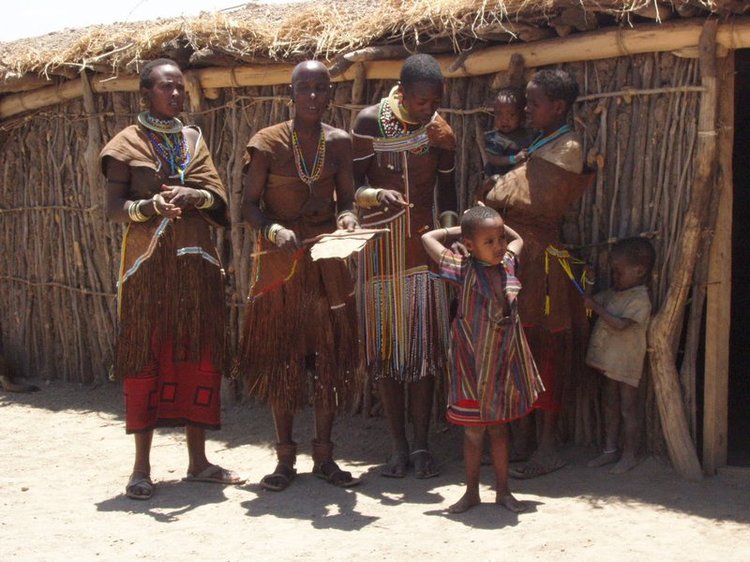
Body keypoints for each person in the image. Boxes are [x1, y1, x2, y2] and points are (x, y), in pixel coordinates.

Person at [100, 58, 244, 500]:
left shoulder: (192, 140)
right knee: (147, 359)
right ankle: (141, 469)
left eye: (181, 88)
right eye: (168, 88)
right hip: (148, 270)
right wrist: (150, 209)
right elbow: (114, 208)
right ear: (146, 93)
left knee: (199, 357)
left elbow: (218, 201)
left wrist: (194, 194)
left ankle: (199, 461)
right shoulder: (125, 144)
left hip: (196, 265)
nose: (177, 94)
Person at [237, 60, 361, 491]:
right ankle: (284, 458)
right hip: (280, 263)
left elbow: (346, 199)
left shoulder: (339, 142)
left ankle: (325, 456)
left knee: (328, 358)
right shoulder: (267, 143)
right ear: (291, 94)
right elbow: (248, 206)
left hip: (325, 260)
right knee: (283, 357)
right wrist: (273, 228)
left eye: (320, 89)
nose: (312, 96)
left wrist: (346, 218)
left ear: (330, 95)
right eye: (304, 88)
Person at [479, 68, 594, 479]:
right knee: (520, 345)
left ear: (558, 107)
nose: (527, 110)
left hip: (541, 263)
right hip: (522, 256)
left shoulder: (567, 148)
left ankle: (547, 446)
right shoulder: (546, 143)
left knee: (544, 349)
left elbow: (513, 196)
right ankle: (524, 438)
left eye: (534, 103)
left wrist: (498, 185)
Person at [352, 53, 457, 479]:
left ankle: (421, 446)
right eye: (420, 101)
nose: (428, 109)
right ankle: (396, 446)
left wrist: (447, 240)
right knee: (386, 353)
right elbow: (351, 187)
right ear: (402, 91)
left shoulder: (441, 132)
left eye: (434, 101)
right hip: (379, 252)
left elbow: (447, 197)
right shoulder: (368, 123)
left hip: (422, 253)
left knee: (424, 354)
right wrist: (377, 196)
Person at [422, 206, 544, 513]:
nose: (499, 245)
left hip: (501, 363)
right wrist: (458, 229)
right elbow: (428, 237)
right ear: (470, 244)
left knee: (500, 431)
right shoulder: (461, 268)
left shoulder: (508, 264)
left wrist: (496, 229)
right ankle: (472, 492)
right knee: (473, 431)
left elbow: (518, 240)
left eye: (499, 238)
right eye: (488, 241)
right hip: (471, 365)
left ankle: (503, 492)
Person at [584, 237, 655, 474]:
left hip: (626, 364)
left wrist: (596, 307)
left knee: (627, 409)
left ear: (640, 271)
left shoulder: (639, 299)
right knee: (611, 406)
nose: (614, 277)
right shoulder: (615, 293)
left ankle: (629, 454)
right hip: (610, 362)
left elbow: (620, 325)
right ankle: (610, 451)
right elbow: (589, 301)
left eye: (618, 272)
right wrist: (590, 282)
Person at [482, 87, 535, 177]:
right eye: (499, 114)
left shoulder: (527, 134)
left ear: (521, 116)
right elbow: (493, 159)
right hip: (499, 179)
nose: (504, 120)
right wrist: (513, 159)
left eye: (511, 115)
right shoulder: (495, 139)